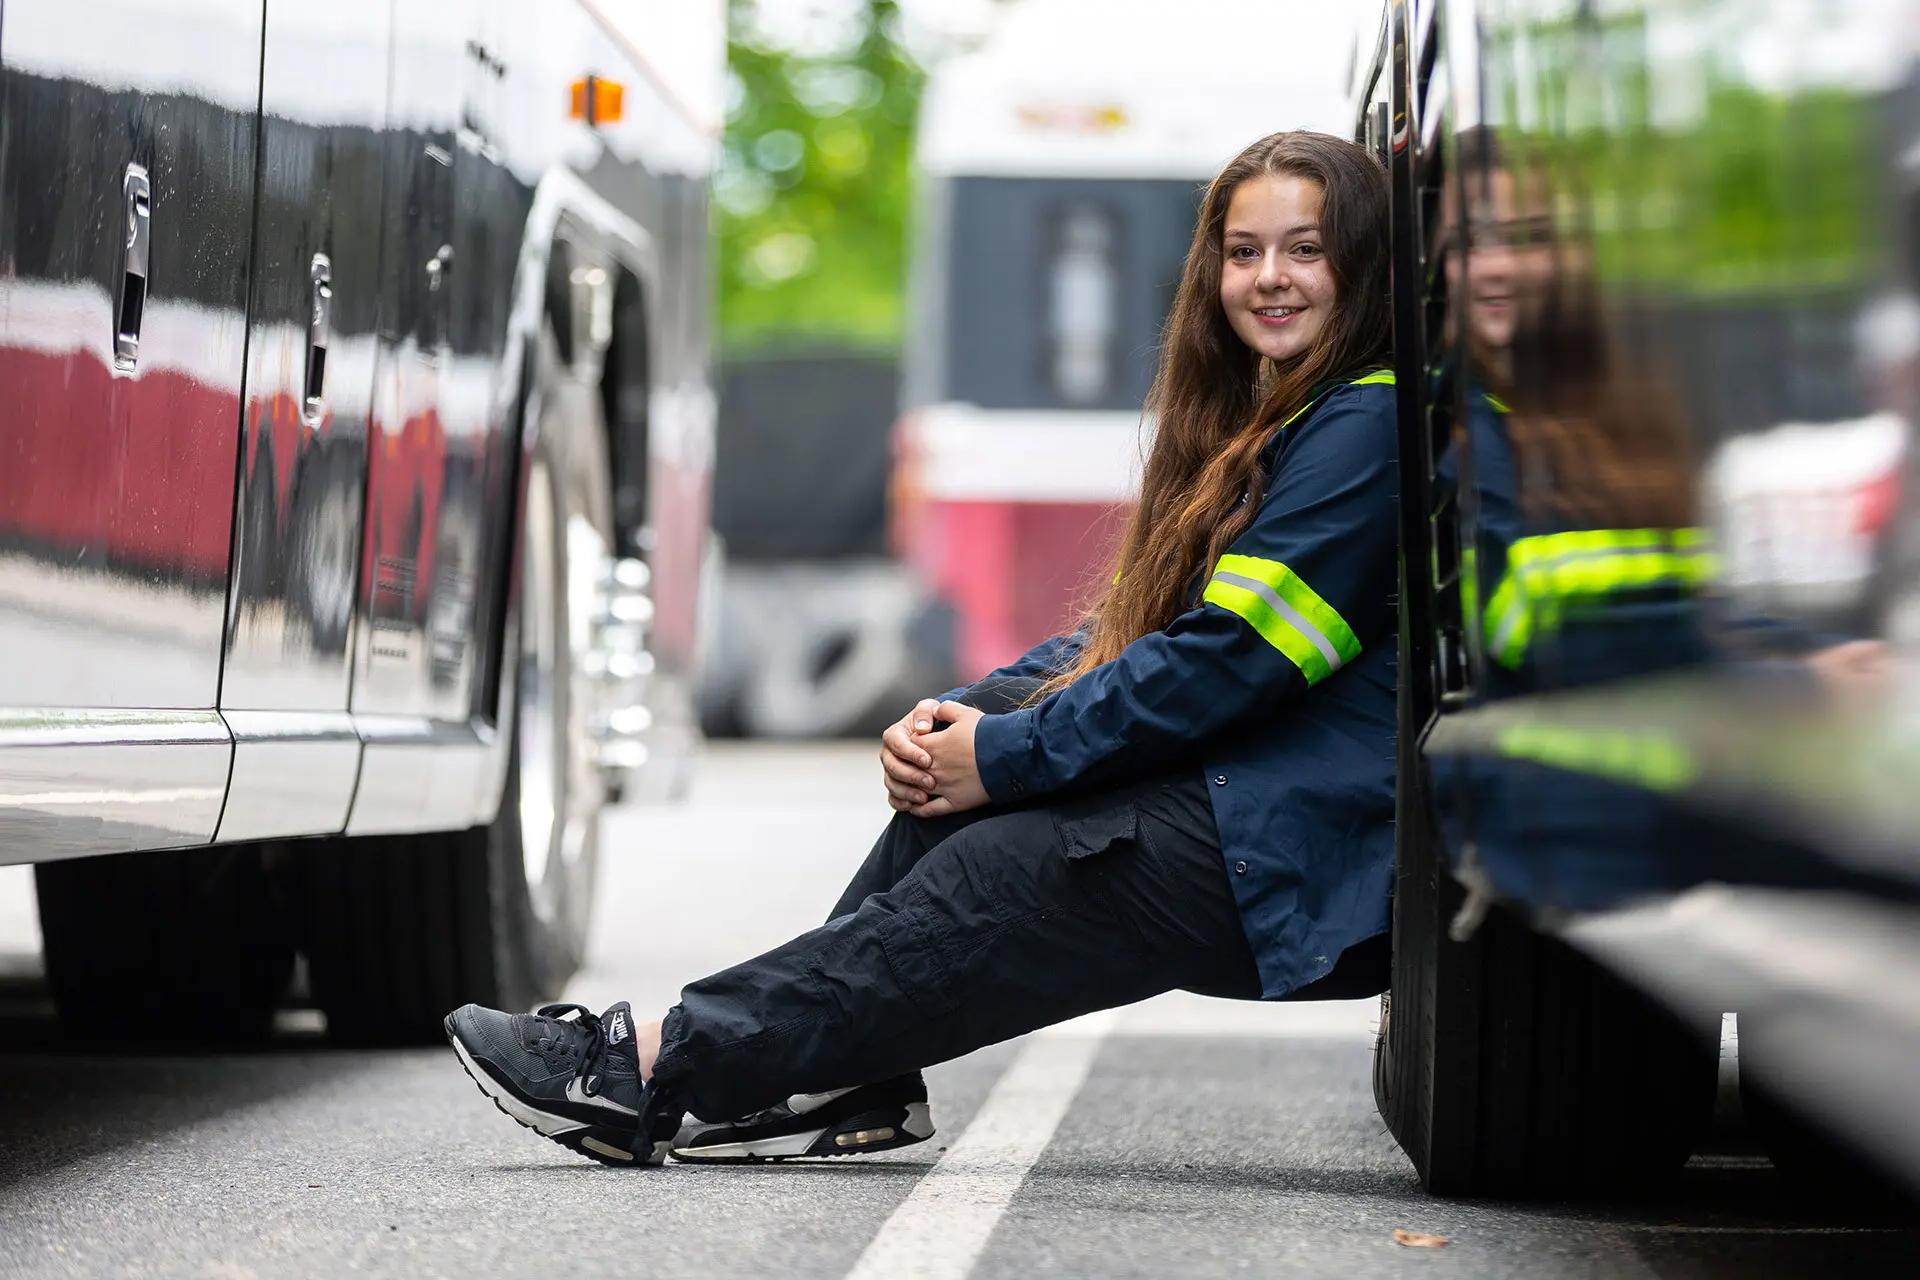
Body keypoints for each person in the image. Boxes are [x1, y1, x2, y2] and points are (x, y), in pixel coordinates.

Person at [445, 130, 1403, 1167]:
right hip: (1257, 797)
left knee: (1006, 859)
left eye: (1304, 249)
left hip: (1308, 846)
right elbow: (1154, 629)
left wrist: (1002, 755)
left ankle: (651, 1064)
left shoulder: (1362, 428)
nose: (1269, 278)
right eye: (1243, 249)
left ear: (1360, 261)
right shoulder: (1286, 417)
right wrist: (972, 712)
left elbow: (1229, 660)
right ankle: (839, 1071)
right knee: (955, 816)